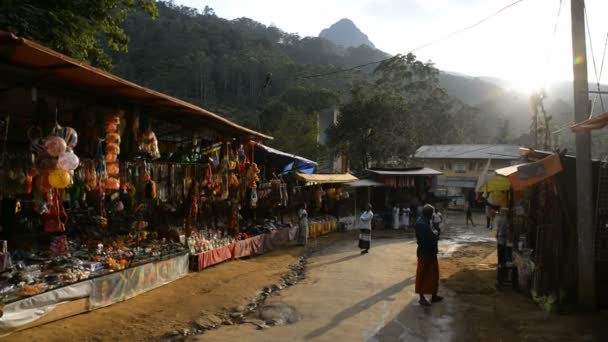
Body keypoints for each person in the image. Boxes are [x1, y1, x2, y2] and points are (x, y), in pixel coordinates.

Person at [415, 204, 443, 306]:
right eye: (432, 213)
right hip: (425, 253)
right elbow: (429, 237)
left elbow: (432, 233)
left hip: (430, 252)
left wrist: (435, 233)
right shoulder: (421, 224)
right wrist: (436, 234)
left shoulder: (425, 221)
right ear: (429, 213)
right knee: (422, 275)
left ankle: (434, 295)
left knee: (434, 275)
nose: (433, 215)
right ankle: (422, 297)